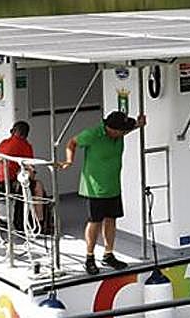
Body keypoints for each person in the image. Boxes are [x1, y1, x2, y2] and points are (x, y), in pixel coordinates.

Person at [60, 111, 146, 275]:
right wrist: (69, 160)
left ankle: (108, 254)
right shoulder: (93, 134)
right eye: (121, 131)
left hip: (113, 186)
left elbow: (129, 128)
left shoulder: (118, 133)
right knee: (95, 221)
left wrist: (139, 124)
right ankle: (89, 258)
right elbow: (72, 142)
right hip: (95, 189)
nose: (123, 134)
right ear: (111, 128)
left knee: (111, 220)